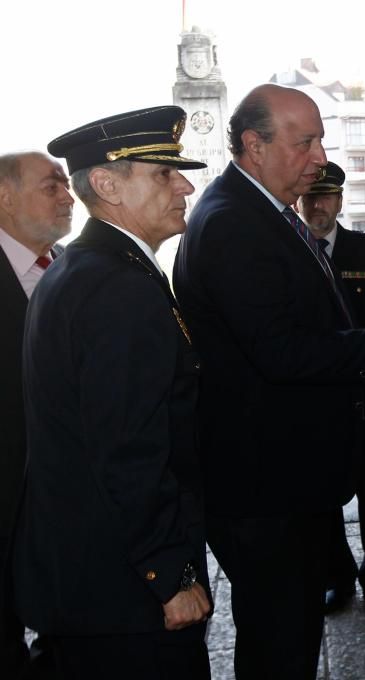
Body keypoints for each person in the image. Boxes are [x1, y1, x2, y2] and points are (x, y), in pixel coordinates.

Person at [172, 84, 365, 680]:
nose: (320, 155)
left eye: (320, 139)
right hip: (261, 486)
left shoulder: (262, 213)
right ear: (253, 145)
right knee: (280, 643)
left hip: (283, 478)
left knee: (291, 632)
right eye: (305, 142)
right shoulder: (232, 225)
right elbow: (282, 350)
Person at [11, 106, 213, 679]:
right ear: (107, 185)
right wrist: (168, 575)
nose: (185, 186)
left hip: (90, 580)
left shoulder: (87, 267)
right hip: (121, 591)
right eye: (163, 174)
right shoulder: (116, 287)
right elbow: (127, 448)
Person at [297, 161, 365, 615]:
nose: (315, 205)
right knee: (322, 491)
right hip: (316, 396)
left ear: (340, 201)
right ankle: (336, 577)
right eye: (308, 197)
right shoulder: (287, 249)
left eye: (324, 197)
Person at [0, 151, 73, 678]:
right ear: (4, 196)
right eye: (52, 186)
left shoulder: (69, 265)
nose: (68, 197)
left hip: (62, 506)